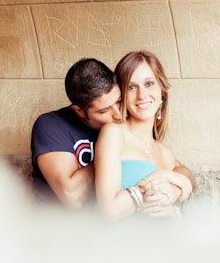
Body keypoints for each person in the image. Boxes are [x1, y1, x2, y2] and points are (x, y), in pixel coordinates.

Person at [30, 57, 194, 210]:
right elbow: (72, 197)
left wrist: (175, 188)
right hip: (61, 230)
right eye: (104, 110)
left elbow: (178, 168)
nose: (118, 114)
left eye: (118, 101)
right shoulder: (52, 125)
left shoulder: (120, 129)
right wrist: (109, 154)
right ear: (79, 111)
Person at [94, 51, 192, 221]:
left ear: (161, 90)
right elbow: (109, 211)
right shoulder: (114, 133)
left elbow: (185, 178)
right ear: (122, 94)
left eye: (149, 84)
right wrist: (161, 176)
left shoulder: (165, 153)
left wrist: (172, 210)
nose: (142, 95)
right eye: (132, 87)